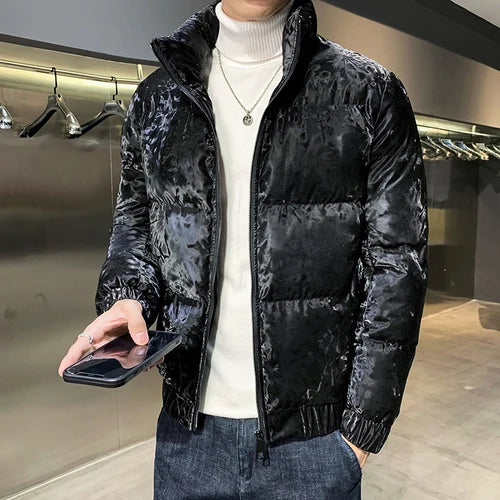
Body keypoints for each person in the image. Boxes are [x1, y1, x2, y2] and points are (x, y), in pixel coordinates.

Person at [58, 0, 429, 497]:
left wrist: (360, 429)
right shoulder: (158, 98)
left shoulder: (368, 93)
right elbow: (135, 226)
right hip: (187, 438)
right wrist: (128, 295)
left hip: (314, 443)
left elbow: (397, 264)